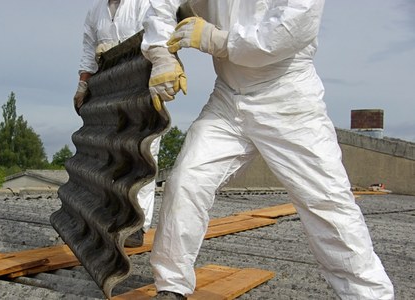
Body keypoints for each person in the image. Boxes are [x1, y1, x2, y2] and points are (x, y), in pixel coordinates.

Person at [141, 1, 395, 299]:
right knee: (186, 181)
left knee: (326, 202)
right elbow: (162, 4)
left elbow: (283, 34)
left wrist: (215, 39)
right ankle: (172, 285)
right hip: (227, 97)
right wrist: (161, 54)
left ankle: (368, 295)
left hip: (287, 98)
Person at [74, 0, 157, 247]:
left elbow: (159, 38)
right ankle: (110, 217)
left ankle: (137, 224)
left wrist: (122, 49)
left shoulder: (145, 3)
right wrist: (83, 85)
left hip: (144, 85)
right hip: (110, 88)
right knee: (112, 154)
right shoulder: (96, 11)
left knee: (143, 153)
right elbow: (89, 49)